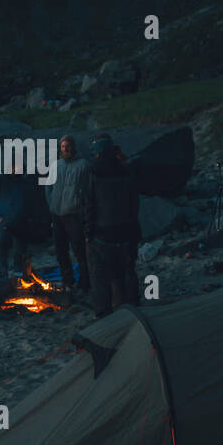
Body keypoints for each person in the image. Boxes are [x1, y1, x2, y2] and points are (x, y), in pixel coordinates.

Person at [82, 133, 140, 317]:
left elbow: (89, 205)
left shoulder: (93, 172)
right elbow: (134, 202)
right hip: (127, 230)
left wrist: (87, 231)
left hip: (102, 233)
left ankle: (103, 312)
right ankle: (133, 306)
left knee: (99, 276)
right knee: (128, 271)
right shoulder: (126, 170)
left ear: (97, 152)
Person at [45, 134, 90, 294]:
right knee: (60, 250)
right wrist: (51, 204)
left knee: (79, 250)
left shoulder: (83, 165)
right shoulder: (55, 165)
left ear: (73, 146)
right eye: (63, 146)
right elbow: (48, 186)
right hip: (57, 214)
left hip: (74, 214)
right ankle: (67, 280)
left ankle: (85, 282)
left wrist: (83, 210)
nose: (66, 149)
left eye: (68, 146)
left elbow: (87, 190)